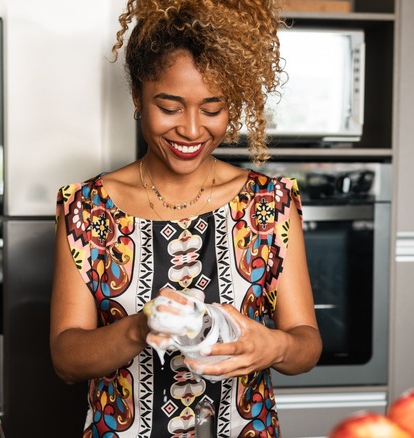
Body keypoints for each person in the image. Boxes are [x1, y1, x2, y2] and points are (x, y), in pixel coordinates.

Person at [49, 0, 322, 436]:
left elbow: (306, 344)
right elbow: (65, 359)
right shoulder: (86, 207)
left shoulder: (270, 204)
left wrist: (274, 345)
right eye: (170, 107)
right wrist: (139, 328)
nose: (192, 131)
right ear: (138, 96)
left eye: (212, 109)